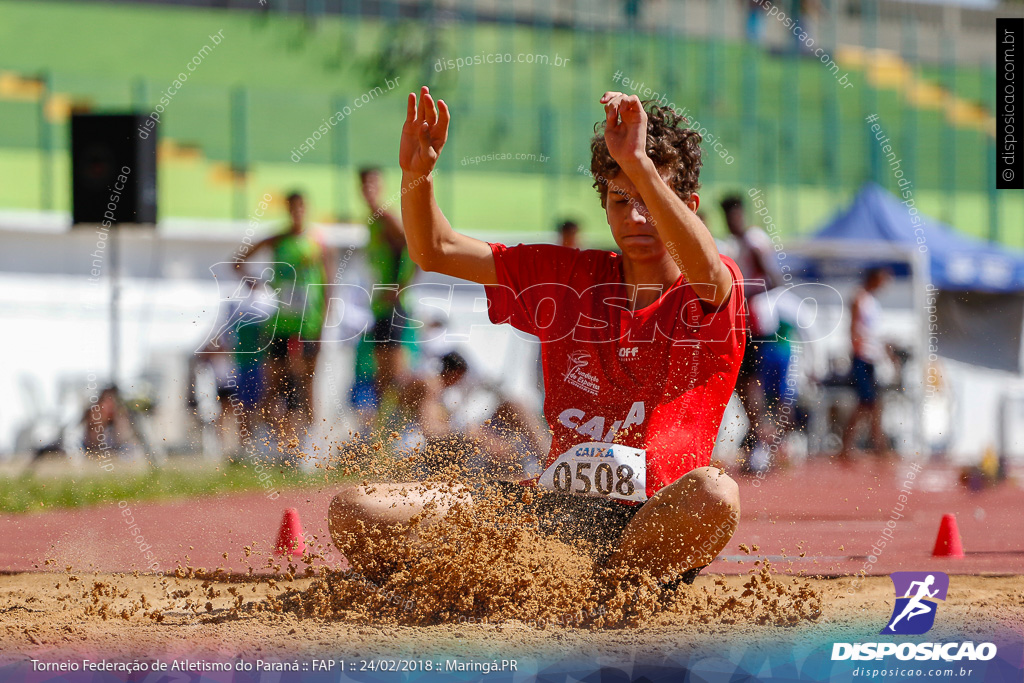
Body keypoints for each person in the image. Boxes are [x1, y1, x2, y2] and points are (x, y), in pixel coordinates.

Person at [329, 87, 747, 588]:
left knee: (716, 494)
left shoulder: (714, 288)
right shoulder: (568, 277)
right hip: (550, 516)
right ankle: (484, 586)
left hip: (653, 522)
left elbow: (705, 271)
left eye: (650, 197)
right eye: (621, 199)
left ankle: (604, 588)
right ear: (604, 206)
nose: (636, 216)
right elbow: (435, 250)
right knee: (356, 510)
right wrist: (417, 174)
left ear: (689, 206)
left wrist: (638, 164)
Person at [236, 192, 329, 450]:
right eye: (293, 208)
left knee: (307, 381)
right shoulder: (278, 240)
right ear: (288, 210)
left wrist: (323, 324)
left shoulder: (318, 242)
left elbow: (329, 285)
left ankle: (310, 441)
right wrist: (254, 281)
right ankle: (264, 440)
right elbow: (238, 261)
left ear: (306, 209)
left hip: (308, 324)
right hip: (280, 324)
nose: (297, 213)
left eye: (301, 208)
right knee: (274, 382)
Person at [720, 194, 784, 471]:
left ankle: (762, 444)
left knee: (754, 386)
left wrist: (746, 293)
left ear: (741, 214)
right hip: (742, 323)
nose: (731, 221)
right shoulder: (732, 243)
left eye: (734, 215)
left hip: (758, 324)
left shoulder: (754, 241)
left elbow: (775, 279)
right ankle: (758, 440)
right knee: (743, 387)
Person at [360, 167, 418, 417]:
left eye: (373, 185)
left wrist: (401, 287)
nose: (369, 191)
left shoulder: (387, 219)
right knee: (381, 374)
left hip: (393, 306)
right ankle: (385, 431)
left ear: (381, 187)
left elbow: (414, 249)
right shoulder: (372, 222)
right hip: (379, 307)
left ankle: (404, 427)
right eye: (365, 185)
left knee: (395, 373)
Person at [839, 267, 892, 462]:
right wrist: (856, 347)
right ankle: (870, 446)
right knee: (866, 402)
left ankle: (874, 446)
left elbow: (876, 332)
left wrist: (886, 352)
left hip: (871, 357)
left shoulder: (872, 301)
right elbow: (853, 326)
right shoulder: (860, 298)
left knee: (869, 403)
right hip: (862, 356)